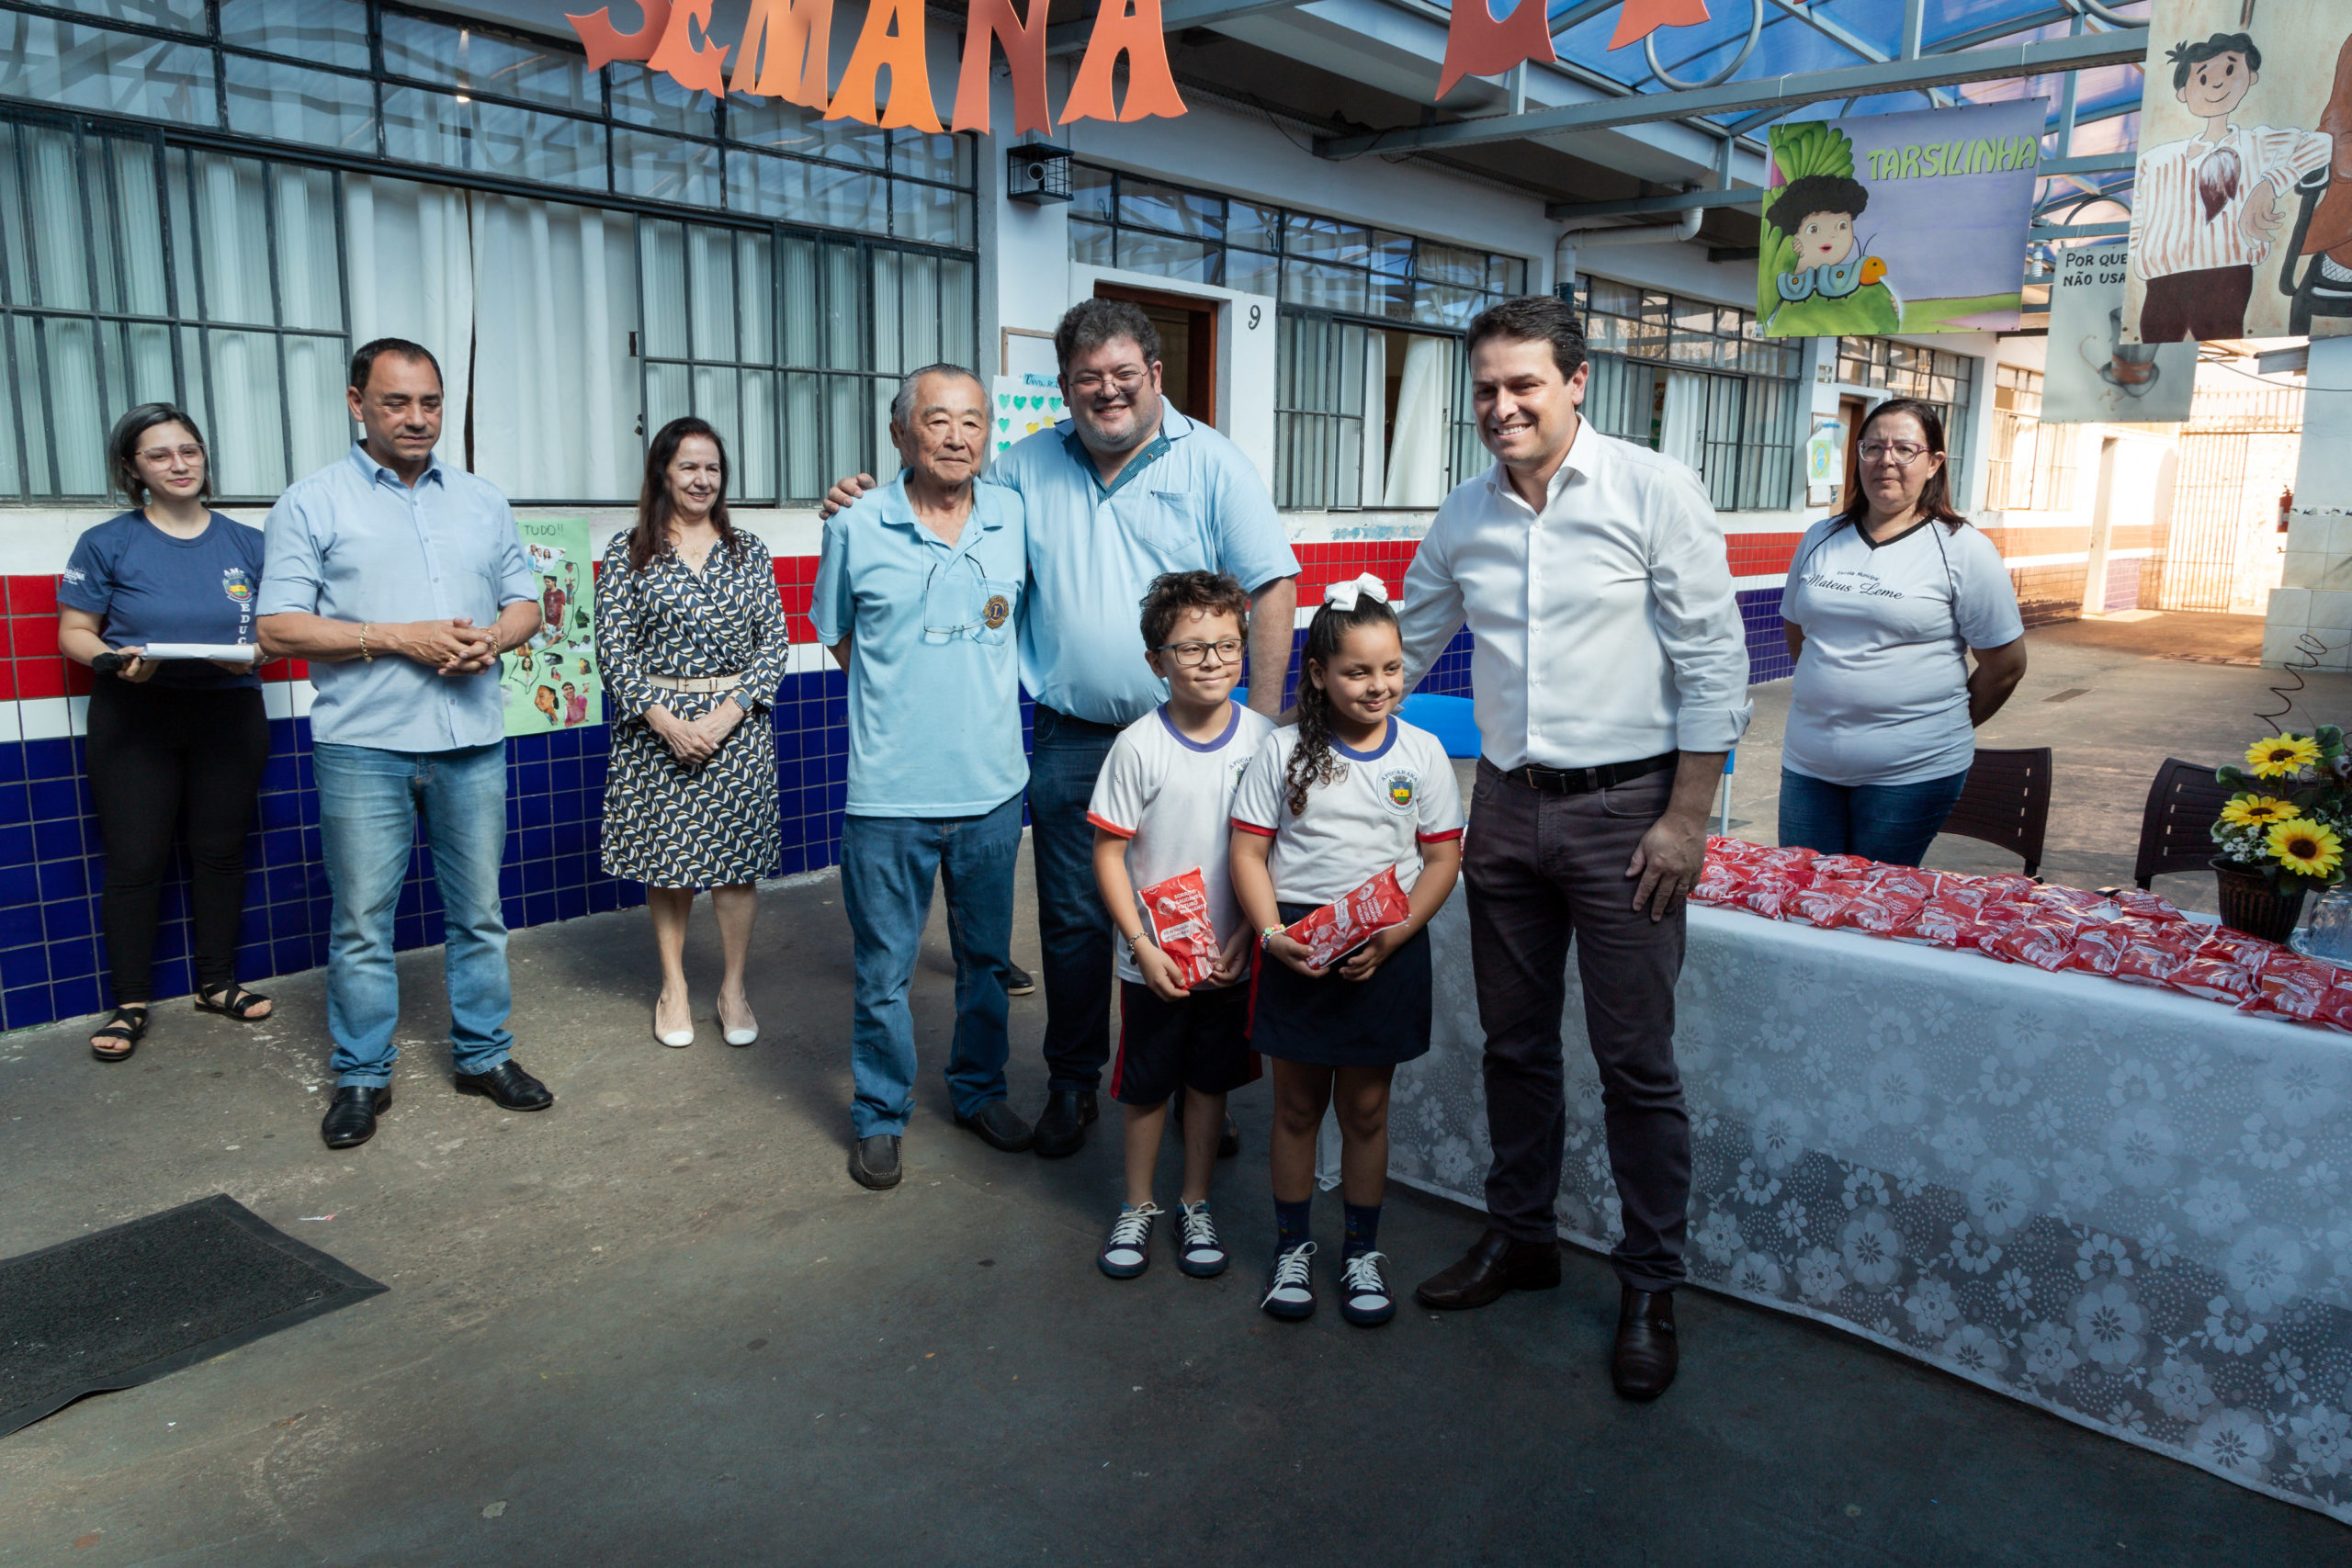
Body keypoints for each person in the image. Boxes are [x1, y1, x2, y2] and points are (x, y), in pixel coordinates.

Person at [823, 299, 1299, 1158]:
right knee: (1074, 924)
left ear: (1155, 375)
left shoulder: (1215, 464)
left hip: (1197, 734)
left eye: (1124, 375)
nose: (1107, 393)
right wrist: (865, 496)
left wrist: (1259, 728)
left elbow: (1270, 587)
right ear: (1065, 388)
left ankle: (1206, 1090)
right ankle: (1075, 1084)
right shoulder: (1022, 468)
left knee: (1196, 910)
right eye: (1088, 380)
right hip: (1072, 738)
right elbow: (943, 499)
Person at [1396, 296, 1750, 1400]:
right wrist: (1292, 758)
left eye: (1524, 386)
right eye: (1487, 389)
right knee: (1513, 1047)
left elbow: (1713, 659)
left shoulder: (1653, 490)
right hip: (1503, 810)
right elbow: (1399, 645)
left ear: (1576, 382)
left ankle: (1649, 1284)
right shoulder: (1463, 515)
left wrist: (1686, 817)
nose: (1501, 407)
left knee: (1635, 1065)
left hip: (1627, 818)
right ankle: (1524, 1239)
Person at [257, 338, 552, 1150]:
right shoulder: (311, 502)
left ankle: (484, 1056)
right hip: (365, 747)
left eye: (429, 402)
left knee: (480, 915)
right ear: (357, 404)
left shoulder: (481, 500)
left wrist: (494, 637)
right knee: (361, 921)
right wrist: (399, 638)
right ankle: (361, 1074)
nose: (418, 418)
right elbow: (277, 624)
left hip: (472, 743)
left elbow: (525, 597)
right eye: (397, 402)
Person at [815, 364, 1033, 1190]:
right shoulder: (856, 525)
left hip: (991, 792)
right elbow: (839, 635)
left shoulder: (1013, 516)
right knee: (883, 973)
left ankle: (977, 1093)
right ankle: (879, 1115)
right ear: (901, 431)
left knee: (985, 965)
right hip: (888, 798)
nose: (956, 436)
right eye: (936, 421)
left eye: (972, 422)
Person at [1230, 575, 1464, 1326]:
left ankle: (1362, 1250)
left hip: (1386, 946)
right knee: (1296, 1106)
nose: (1378, 684)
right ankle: (1292, 1249)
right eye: (1358, 670)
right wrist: (1273, 937)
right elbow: (1247, 853)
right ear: (1321, 674)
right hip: (1298, 943)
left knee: (1365, 1108)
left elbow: (1441, 860)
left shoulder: (1422, 753)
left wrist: (1394, 937)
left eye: (1390, 667)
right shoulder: (1283, 750)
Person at [59, 404, 271, 1061]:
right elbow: (74, 630)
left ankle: (215, 982)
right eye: (159, 454)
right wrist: (112, 662)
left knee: (219, 853)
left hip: (228, 711)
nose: (179, 464)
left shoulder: (249, 542)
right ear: (133, 468)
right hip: (135, 715)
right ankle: (129, 1001)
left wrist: (258, 651)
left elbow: (276, 629)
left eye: (189, 450)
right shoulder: (107, 542)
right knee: (135, 861)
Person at [1086, 570, 1272, 1281]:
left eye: (1228, 645)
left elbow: (1273, 850)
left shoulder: (1263, 740)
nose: (1213, 661)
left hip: (1231, 956)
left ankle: (1195, 1202)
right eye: (1191, 648)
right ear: (1155, 661)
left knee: (1209, 1084)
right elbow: (1109, 852)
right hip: (1156, 961)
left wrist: (1250, 933)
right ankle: (1139, 1205)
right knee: (1145, 1084)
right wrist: (1140, 942)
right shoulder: (1138, 746)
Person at [595, 416, 792, 1049]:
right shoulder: (628, 553)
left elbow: (774, 644)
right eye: (688, 466)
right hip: (658, 733)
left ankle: (733, 988)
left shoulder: (749, 551)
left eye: (712, 468)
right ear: (662, 473)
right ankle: (673, 986)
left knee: (736, 869)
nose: (702, 478)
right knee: (670, 864)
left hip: (737, 732)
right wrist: (667, 722)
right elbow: (614, 652)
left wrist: (728, 713)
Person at [1779, 400, 2028, 864]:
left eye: (1904, 449)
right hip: (1808, 765)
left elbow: (2007, 666)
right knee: (1801, 894)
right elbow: (1800, 632)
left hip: (1911, 774)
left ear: (1933, 463)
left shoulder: (1963, 549)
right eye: (1872, 447)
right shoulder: (1820, 536)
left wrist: (1933, 727)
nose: (1886, 460)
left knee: (1876, 907)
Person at [2130, 29, 2328, 342]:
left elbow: (2324, 144)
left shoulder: (2258, 143)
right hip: (2162, 279)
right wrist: (2141, 262)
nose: (2217, 83)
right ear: (2183, 92)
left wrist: (2272, 183)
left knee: (2219, 338)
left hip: (2226, 273)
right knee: (2155, 346)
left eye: (2231, 69)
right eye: (2203, 78)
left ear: (2251, 76)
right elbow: (2139, 220)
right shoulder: (2156, 159)